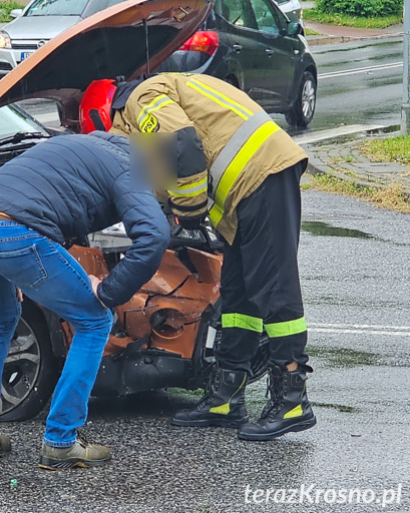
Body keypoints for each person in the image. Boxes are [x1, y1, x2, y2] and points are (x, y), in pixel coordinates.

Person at [82, 73, 315, 441]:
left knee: (273, 287)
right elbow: (164, 169)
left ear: (104, 116)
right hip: (249, 184)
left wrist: (188, 210)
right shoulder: (151, 104)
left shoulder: (142, 99)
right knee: (238, 295)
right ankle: (226, 397)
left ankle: (292, 398)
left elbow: (184, 143)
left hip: (260, 172)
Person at [0, 132, 169, 470]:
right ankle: (61, 441)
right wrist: (108, 291)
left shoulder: (80, 145)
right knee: (95, 321)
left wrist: (14, 265)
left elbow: (48, 202)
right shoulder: (133, 168)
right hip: (13, 232)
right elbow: (154, 236)